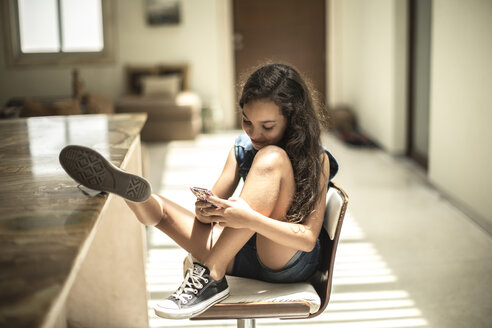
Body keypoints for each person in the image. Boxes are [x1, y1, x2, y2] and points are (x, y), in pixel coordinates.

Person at [59, 63, 339, 320]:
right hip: (243, 252)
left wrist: (248, 219)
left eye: (267, 126)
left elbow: (306, 239)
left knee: (273, 156)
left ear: (294, 121)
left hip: (286, 258)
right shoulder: (242, 148)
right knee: (166, 214)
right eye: (246, 121)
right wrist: (206, 211)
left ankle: (211, 276)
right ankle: (132, 195)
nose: (254, 134)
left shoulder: (317, 158)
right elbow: (209, 217)